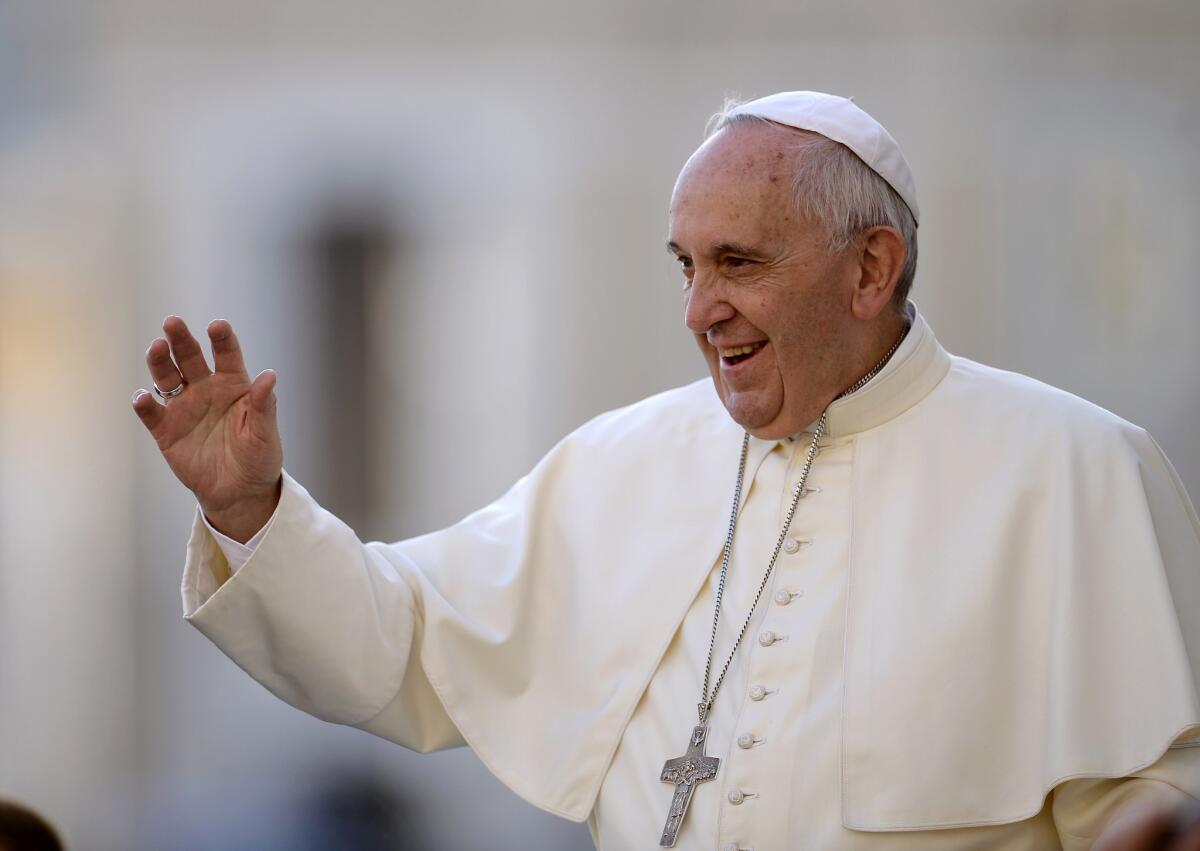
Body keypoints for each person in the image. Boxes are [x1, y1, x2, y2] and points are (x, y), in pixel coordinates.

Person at [132, 91, 1200, 850]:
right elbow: (400, 637)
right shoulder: (621, 463)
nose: (698, 309)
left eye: (740, 263)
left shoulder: (1074, 469)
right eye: (688, 266)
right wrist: (250, 507)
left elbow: (1153, 804)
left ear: (869, 268)